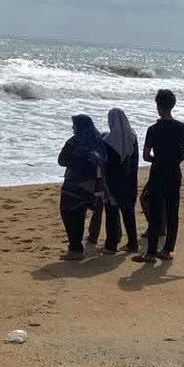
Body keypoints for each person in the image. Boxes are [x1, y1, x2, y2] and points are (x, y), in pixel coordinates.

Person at [133, 90, 184, 264]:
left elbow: (145, 156)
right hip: (174, 172)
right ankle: (167, 250)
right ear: (172, 105)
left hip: (158, 172)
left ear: (159, 106)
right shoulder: (182, 127)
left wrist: (156, 159)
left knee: (156, 211)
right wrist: (183, 155)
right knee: (173, 211)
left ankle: (150, 252)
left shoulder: (153, 129)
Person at [88, 108, 139, 253]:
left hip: (113, 182)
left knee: (111, 213)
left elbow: (105, 162)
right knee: (129, 213)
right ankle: (133, 243)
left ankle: (111, 245)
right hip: (129, 181)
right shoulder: (133, 137)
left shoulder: (109, 141)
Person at [58, 114, 106, 260]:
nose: (73, 128)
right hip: (91, 185)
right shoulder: (99, 140)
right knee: (80, 214)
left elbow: (61, 160)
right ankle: (76, 247)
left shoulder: (74, 141)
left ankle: (75, 248)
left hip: (74, 184)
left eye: (74, 125)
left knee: (68, 214)